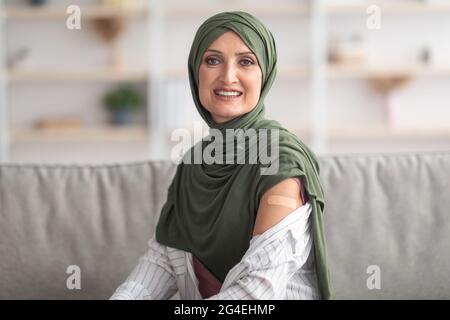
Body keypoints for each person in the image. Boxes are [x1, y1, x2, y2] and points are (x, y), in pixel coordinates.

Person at [111, 11, 334, 300]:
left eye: (246, 62)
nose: (228, 77)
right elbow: (162, 261)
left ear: (265, 73)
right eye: (212, 60)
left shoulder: (280, 161)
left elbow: (257, 291)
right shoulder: (193, 163)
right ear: (196, 72)